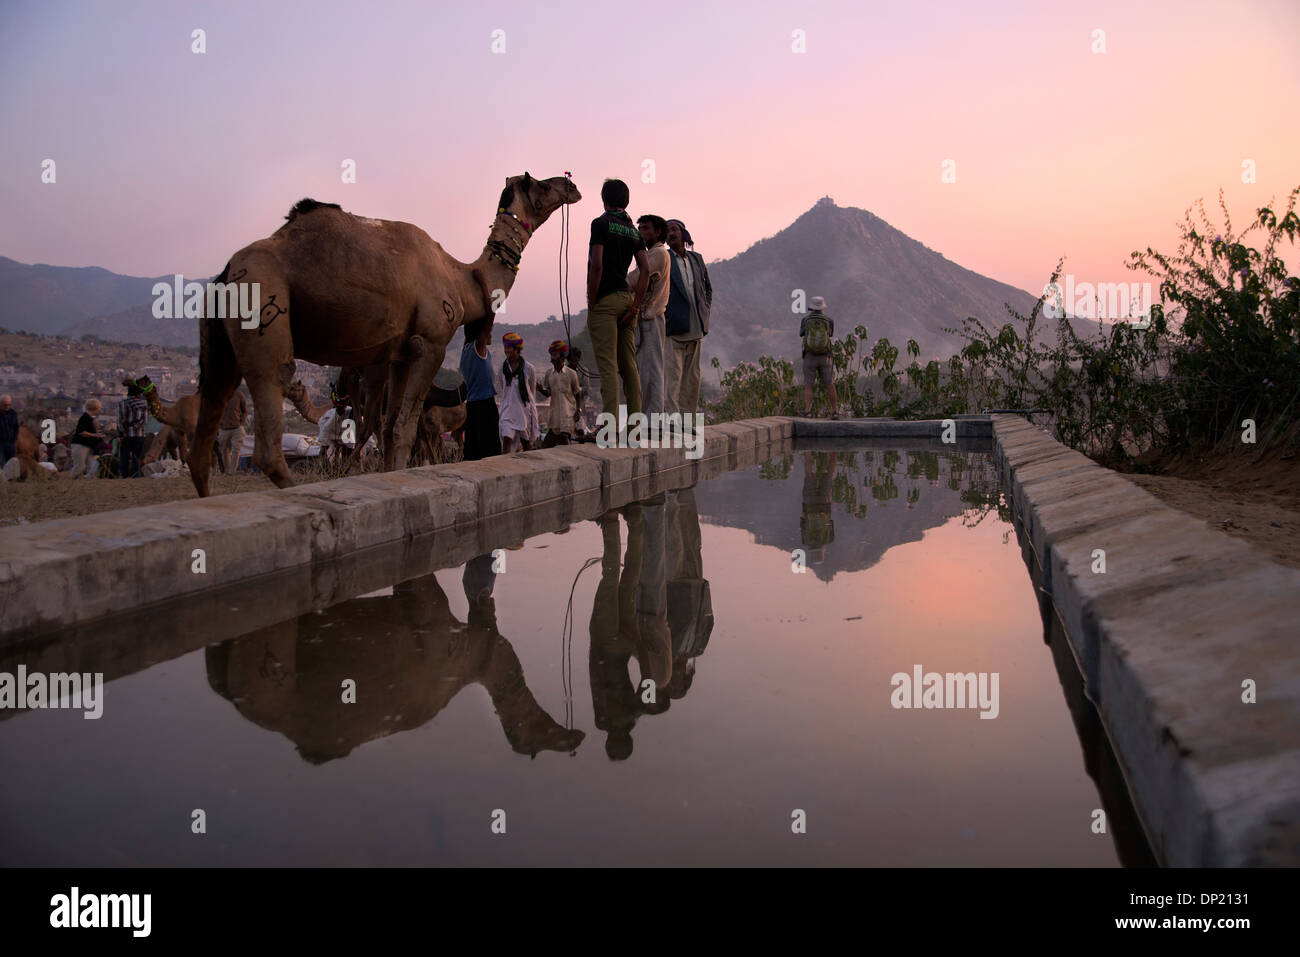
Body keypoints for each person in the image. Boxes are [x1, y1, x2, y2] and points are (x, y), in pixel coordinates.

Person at [587, 178, 650, 426]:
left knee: (608, 366)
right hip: (627, 300)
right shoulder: (633, 231)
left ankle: (609, 428)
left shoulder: (600, 224)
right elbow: (645, 270)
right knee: (629, 366)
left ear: (604, 199)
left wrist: (592, 300)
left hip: (606, 301)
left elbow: (597, 265)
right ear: (626, 200)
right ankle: (634, 427)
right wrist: (636, 306)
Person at [663, 219, 713, 422]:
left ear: (684, 233)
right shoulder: (664, 258)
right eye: (667, 231)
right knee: (672, 379)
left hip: (697, 327)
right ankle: (672, 423)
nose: (671, 234)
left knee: (692, 380)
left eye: (674, 229)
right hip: (673, 328)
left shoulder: (696, 258)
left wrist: (705, 310)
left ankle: (688, 421)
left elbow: (708, 288)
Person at [627, 214, 672, 416]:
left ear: (658, 232)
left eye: (646, 228)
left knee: (652, 374)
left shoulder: (657, 254)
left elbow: (632, 280)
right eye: (640, 229)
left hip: (650, 319)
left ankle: (652, 421)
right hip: (646, 320)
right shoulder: (653, 254)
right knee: (644, 372)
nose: (642, 233)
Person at [459, 314, 501, 460]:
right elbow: (489, 320)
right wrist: (494, 299)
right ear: (482, 332)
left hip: (472, 406)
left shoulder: (466, 349)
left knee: (472, 452)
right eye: (489, 331)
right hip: (484, 406)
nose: (491, 333)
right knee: (490, 452)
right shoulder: (478, 348)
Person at [497, 331, 539, 453]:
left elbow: (531, 392)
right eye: (505, 347)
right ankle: (505, 468)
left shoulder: (529, 368)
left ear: (517, 349)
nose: (506, 350)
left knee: (526, 445)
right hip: (507, 411)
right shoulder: (501, 368)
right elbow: (504, 388)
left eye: (509, 347)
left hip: (523, 412)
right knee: (506, 442)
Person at [800, 296, 840, 419]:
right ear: (822, 307)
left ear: (812, 307)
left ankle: (808, 411)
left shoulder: (805, 320)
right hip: (824, 357)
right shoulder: (829, 320)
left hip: (809, 356)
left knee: (809, 385)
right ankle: (834, 411)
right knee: (829, 384)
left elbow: (801, 333)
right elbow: (830, 334)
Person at [538, 340, 583, 447]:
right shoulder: (549, 373)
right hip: (555, 415)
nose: (552, 357)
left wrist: (578, 410)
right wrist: (540, 389)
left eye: (555, 354)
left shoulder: (572, 374)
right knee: (548, 444)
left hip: (568, 414)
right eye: (551, 355)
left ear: (562, 356)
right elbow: (548, 393)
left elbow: (578, 393)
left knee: (564, 436)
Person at [117, 380, 148, 478]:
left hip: (125, 436)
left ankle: (124, 475)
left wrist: (122, 431)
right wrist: (134, 427)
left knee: (124, 456)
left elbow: (119, 420)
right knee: (137, 457)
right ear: (138, 394)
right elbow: (144, 421)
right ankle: (135, 474)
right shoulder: (143, 405)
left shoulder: (122, 403)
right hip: (138, 435)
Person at [218, 387, 250, 474]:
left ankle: (232, 472)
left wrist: (241, 421)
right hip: (224, 428)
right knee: (224, 450)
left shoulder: (238, 395)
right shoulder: (219, 396)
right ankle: (227, 471)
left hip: (237, 427)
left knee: (236, 449)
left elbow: (245, 411)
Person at [71, 398, 104, 478]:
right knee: (80, 466)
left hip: (87, 445)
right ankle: (74, 482)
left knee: (91, 465)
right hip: (81, 444)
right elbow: (81, 431)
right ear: (95, 407)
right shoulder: (85, 418)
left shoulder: (88, 418)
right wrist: (94, 435)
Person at [0, 394, 17, 466]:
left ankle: (11, 477)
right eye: (5, 405)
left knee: (11, 463)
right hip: (0, 443)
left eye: (9, 405)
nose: (7, 407)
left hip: (11, 443)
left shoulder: (12, 413)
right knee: (2, 463)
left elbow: (16, 427)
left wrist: (14, 438)